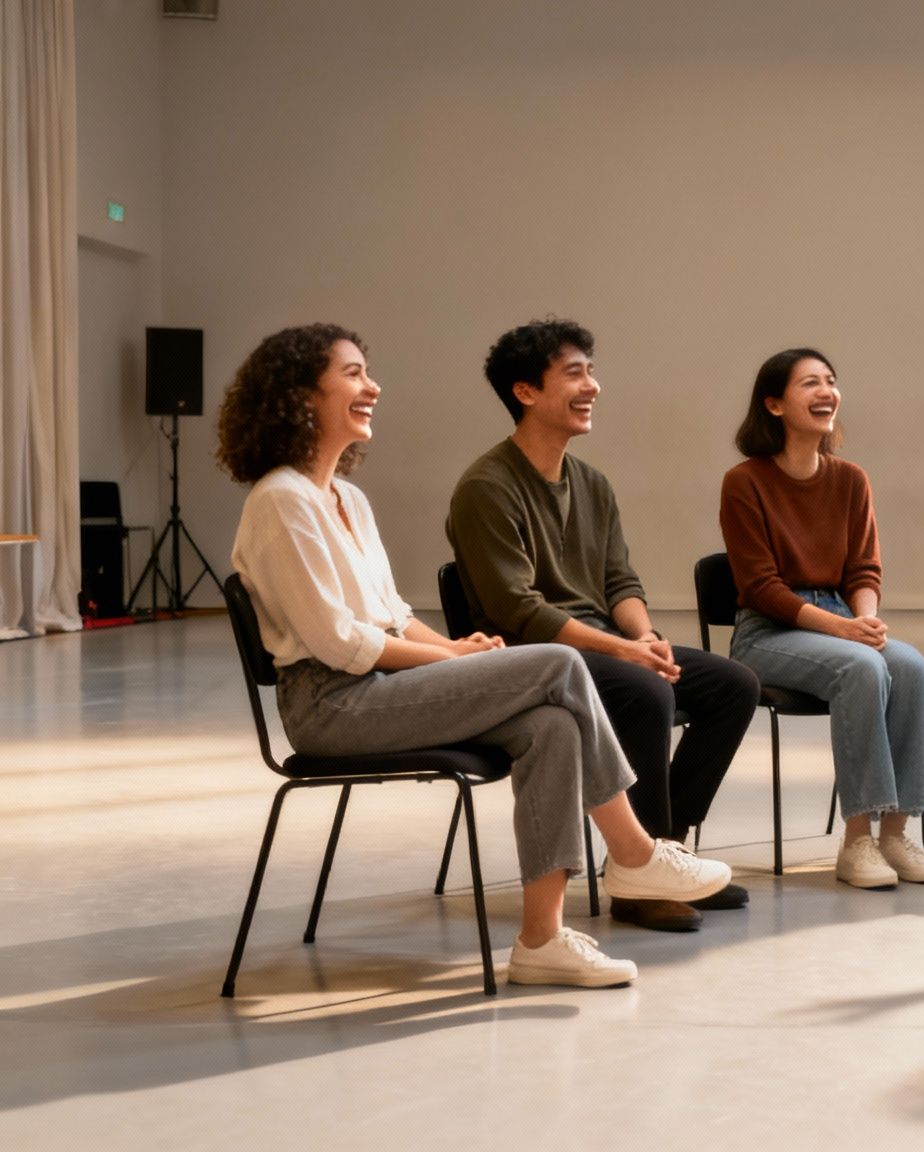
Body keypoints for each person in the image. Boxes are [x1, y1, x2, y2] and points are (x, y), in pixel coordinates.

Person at [221, 323, 731, 989]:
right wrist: (455, 665)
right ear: (298, 395)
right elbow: (342, 644)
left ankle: (541, 940)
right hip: (332, 704)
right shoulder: (282, 501)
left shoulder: (345, 498)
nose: (372, 386)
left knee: (549, 726)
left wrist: (452, 646)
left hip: (374, 689)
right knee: (558, 664)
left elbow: (391, 612)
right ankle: (635, 852)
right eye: (352, 374)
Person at [448, 318, 761, 933]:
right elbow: (521, 611)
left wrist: (642, 636)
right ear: (525, 391)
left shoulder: (591, 483)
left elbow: (620, 580)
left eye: (592, 371)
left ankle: (661, 850)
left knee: (734, 685)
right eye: (574, 373)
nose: (592, 384)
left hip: (599, 642)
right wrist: (625, 652)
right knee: (645, 689)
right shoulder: (485, 487)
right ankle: (639, 883)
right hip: (531, 658)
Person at [717, 348, 924, 890]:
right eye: (810, 384)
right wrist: (846, 634)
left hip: (842, 619)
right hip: (768, 632)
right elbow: (760, 587)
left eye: (831, 381)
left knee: (910, 667)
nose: (826, 392)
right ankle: (857, 840)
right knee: (860, 669)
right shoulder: (743, 482)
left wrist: (864, 622)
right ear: (774, 404)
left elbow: (864, 569)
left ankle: (895, 833)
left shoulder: (850, 480)